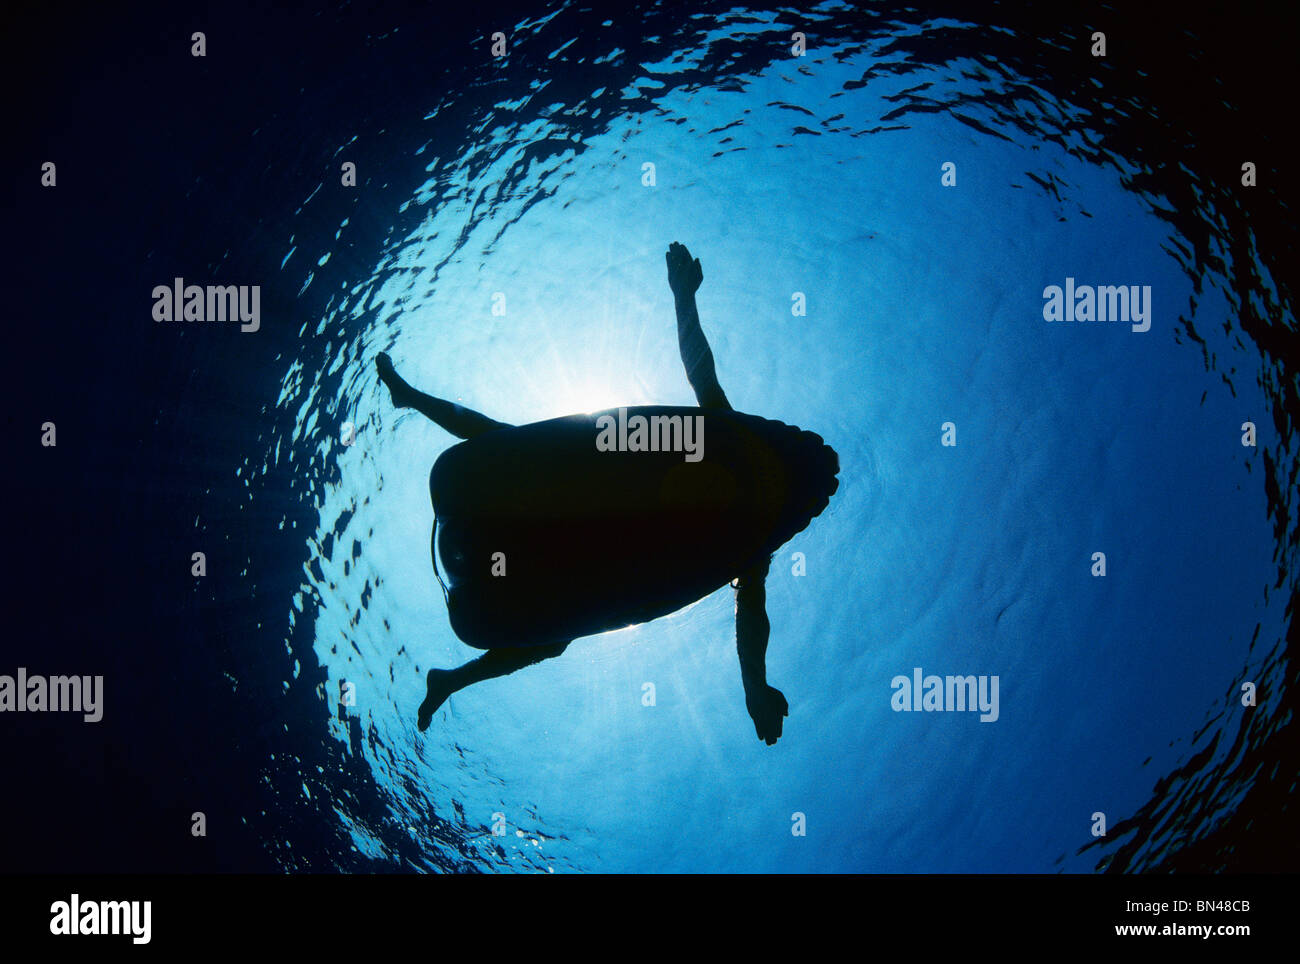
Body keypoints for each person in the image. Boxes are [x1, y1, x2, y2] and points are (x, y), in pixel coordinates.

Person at [377, 242, 813, 744]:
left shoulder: (750, 518)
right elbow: (699, 365)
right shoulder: (737, 468)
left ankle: (451, 680)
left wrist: (754, 689)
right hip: (546, 521)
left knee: (554, 634)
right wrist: (682, 295)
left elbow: (751, 619)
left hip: (546, 556)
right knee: (508, 446)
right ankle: (408, 397)